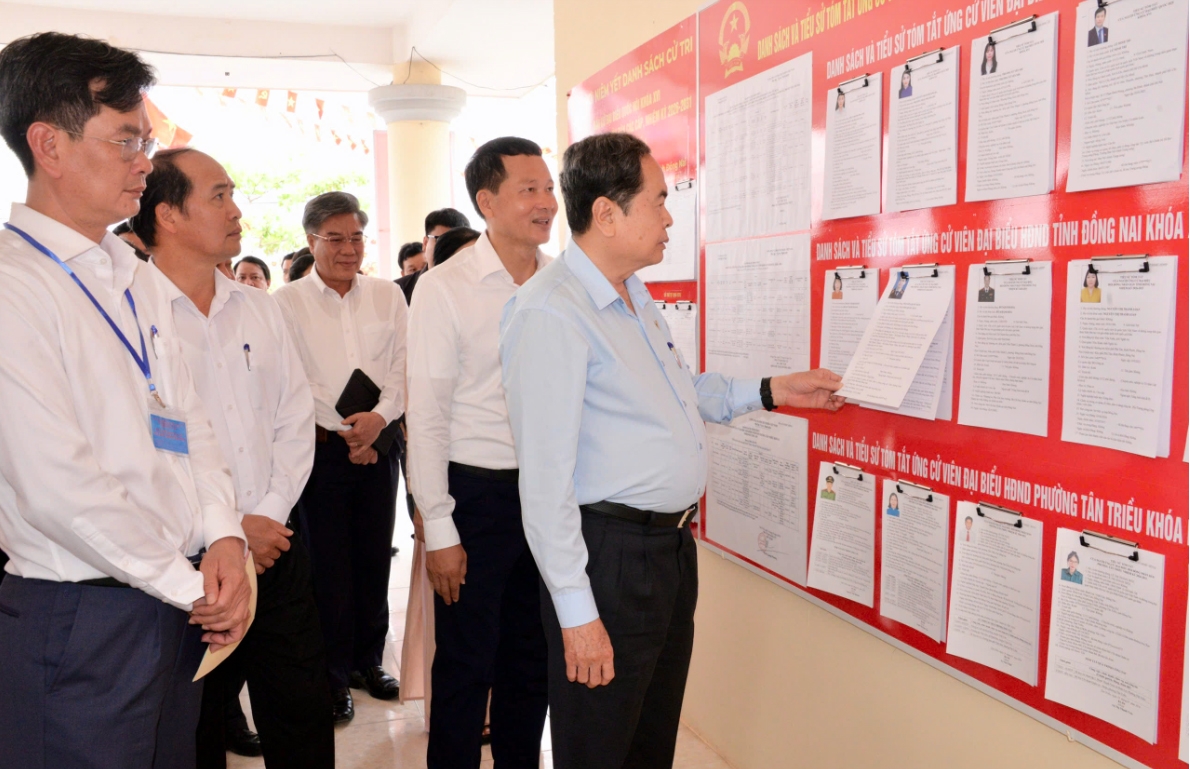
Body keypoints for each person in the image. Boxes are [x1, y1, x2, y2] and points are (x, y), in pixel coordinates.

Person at [500, 132, 845, 769]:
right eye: (658, 201)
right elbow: (543, 487)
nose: (668, 217)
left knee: (648, 742)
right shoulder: (551, 312)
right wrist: (578, 615)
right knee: (598, 746)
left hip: (667, 553)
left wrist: (773, 390)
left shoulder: (632, 296)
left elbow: (677, 395)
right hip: (607, 561)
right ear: (606, 213)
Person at [0, 32, 250, 768]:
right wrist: (190, 584)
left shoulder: (129, 272)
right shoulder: (16, 285)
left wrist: (225, 535)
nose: (146, 161)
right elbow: (55, 485)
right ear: (48, 143)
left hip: (170, 604)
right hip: (83, 615)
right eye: (126, 141)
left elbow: (189, 419)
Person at [131, 148, 334, 769]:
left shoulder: (258, 307)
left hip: (275, 549)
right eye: (218, 196)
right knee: (193, 730)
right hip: (186, 566)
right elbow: (145, 447)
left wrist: (265, 517)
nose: (237, 210)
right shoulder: (130, 314)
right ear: (167, 213)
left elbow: (294, 420)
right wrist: (226, 528)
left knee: (301, 715)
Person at [408, 136, 556, 769]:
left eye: (549, 188)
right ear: (486, 201)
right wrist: (438, 526)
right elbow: (429, 415)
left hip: (551, 495)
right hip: (478, 496)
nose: (547, 203)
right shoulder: (446, 288)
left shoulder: (565, 283)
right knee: (469, 660)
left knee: (534, 658)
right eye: (530, 190)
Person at [273, 191, 408, 724]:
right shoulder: (285, 303)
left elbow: (402, 365)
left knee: (374, 557)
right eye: (336, 239)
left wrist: (378, 421)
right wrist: (346, 428)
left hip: (380, 444)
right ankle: (331, 674)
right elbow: (292, 379)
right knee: (326, 565)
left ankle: (369, 663)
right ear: (312, 242)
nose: (348, 249)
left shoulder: (387, 296)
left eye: (356, 237)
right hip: (323, 452)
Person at [397, 208, 472, 306]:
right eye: (441, 240)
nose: (448, 249)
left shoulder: (481, 287)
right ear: (425, 243)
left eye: (457, 243)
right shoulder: (399, 290)